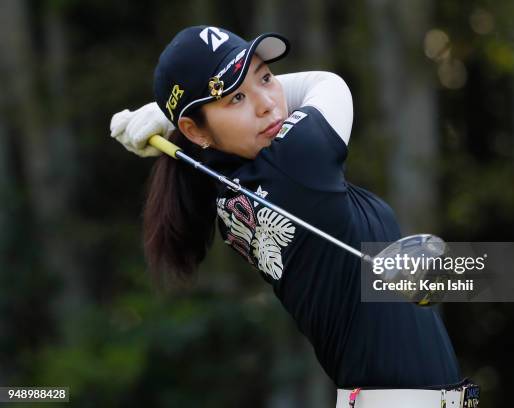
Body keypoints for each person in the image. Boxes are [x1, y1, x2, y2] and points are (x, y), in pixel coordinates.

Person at [110, 25, 478, 408]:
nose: (267, 103)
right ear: (195, 131)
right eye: (236, 98)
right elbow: (328, 84)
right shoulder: (297, 162)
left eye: (266, 77)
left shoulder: (234, 189)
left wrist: (180, 117)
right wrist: (171, 118)